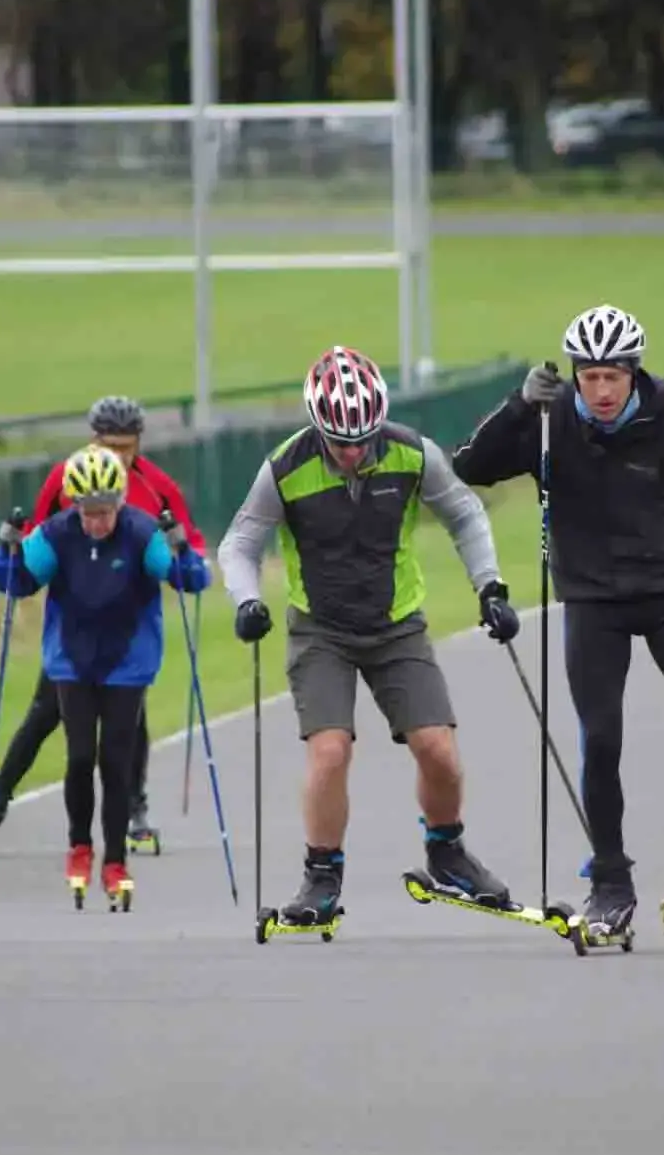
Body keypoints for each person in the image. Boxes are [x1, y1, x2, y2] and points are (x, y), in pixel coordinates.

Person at [449, 304, 664, 936]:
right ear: (575, 374)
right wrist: (520, 406)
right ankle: (609, 880)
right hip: (593, 597)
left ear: (635, 372)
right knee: (601, 740)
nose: (600, 391)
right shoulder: (550, 420)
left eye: (613, 377)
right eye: (589, 377)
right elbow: (471, 465)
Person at [216, 343, 522, 928]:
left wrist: (491, 587)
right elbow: (239, 544)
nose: (354, 452)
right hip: (321, 628)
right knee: (330, 751)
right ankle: (322, 876)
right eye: (340, 441)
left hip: (396, 623)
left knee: (438, 748)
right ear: (317, 427)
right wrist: (247, 600)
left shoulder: (410, 454)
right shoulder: (286, 467)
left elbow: (463, 512)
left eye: (363, 439)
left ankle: (447, 852)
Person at [0, 395, 206, 860]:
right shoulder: (69, 478)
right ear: (93, 439)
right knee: (44, 713)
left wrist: (184, 554)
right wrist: (16, 553)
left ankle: (135, 811)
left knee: (129, 717)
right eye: (108, 443)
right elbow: (44, 534)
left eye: (126, 444)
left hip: (129, 621)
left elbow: (189, 542)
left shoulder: (157, 485)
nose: (118, 454)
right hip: (74, 623)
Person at [0, 444, 211, 908]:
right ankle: (79, 848)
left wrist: (182, 550)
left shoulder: (140, 533)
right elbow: (18, 582)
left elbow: (188, 579)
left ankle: (114, 861)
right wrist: (5, 549)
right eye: (88, 513)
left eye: (105, 512)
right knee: (78, 757)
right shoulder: (56, 535)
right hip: (71, 658)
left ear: (120, 503)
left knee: (115, 761)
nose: (96, 522)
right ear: (75, 505)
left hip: (127, 661)